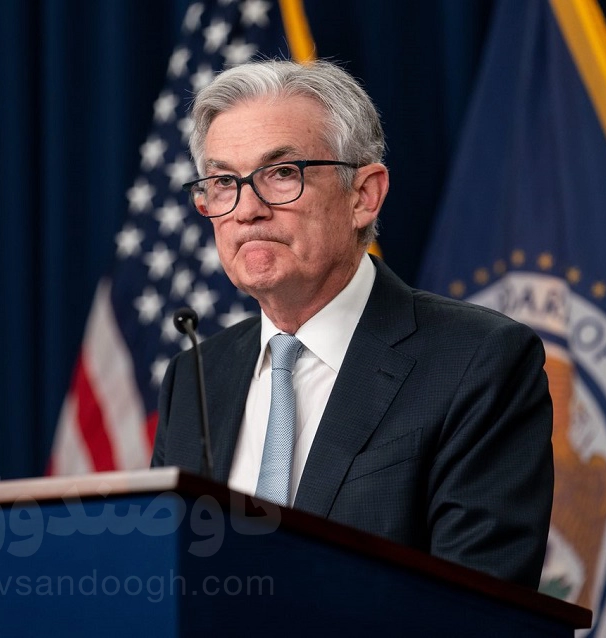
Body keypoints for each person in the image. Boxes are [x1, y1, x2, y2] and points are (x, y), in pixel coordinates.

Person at [150, 59, 553, 589]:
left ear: (364, 195)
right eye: (224, 182)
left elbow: (476, 606)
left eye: (281, 173)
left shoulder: (478, 361)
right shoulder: (195, 377)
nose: (247, 209)